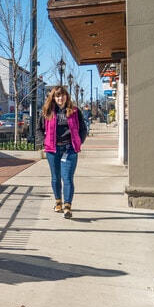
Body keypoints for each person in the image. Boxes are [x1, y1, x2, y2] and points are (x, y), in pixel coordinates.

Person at [36, 85, 88, 219]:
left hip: (69, 149)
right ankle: (58, 201)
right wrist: (44, 141)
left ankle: (67, 206)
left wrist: (78, 141)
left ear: (66, 96)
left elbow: (83, 128)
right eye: (57, 96)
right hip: (53, 150)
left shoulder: (75, 111)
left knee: (68, 177)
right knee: (55, 177)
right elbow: (39, 130)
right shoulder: (47, 111)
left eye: (62, 95)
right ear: (53, 97)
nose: (60, 98)